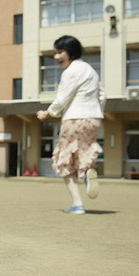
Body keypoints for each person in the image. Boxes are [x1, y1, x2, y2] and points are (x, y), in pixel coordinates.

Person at [37, 35, 106, 214]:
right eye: (55, 53)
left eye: (60, 52)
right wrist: (96, 112)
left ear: (71, 53)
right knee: (83, 153)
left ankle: (77, 204)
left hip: (74, 119)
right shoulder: (91, 70)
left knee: (64, 161)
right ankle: (89, 171)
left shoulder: (71, 71)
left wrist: (48, 113)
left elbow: (62, 98)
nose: (56, 57)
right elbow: (102, 96)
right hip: (94, 119)